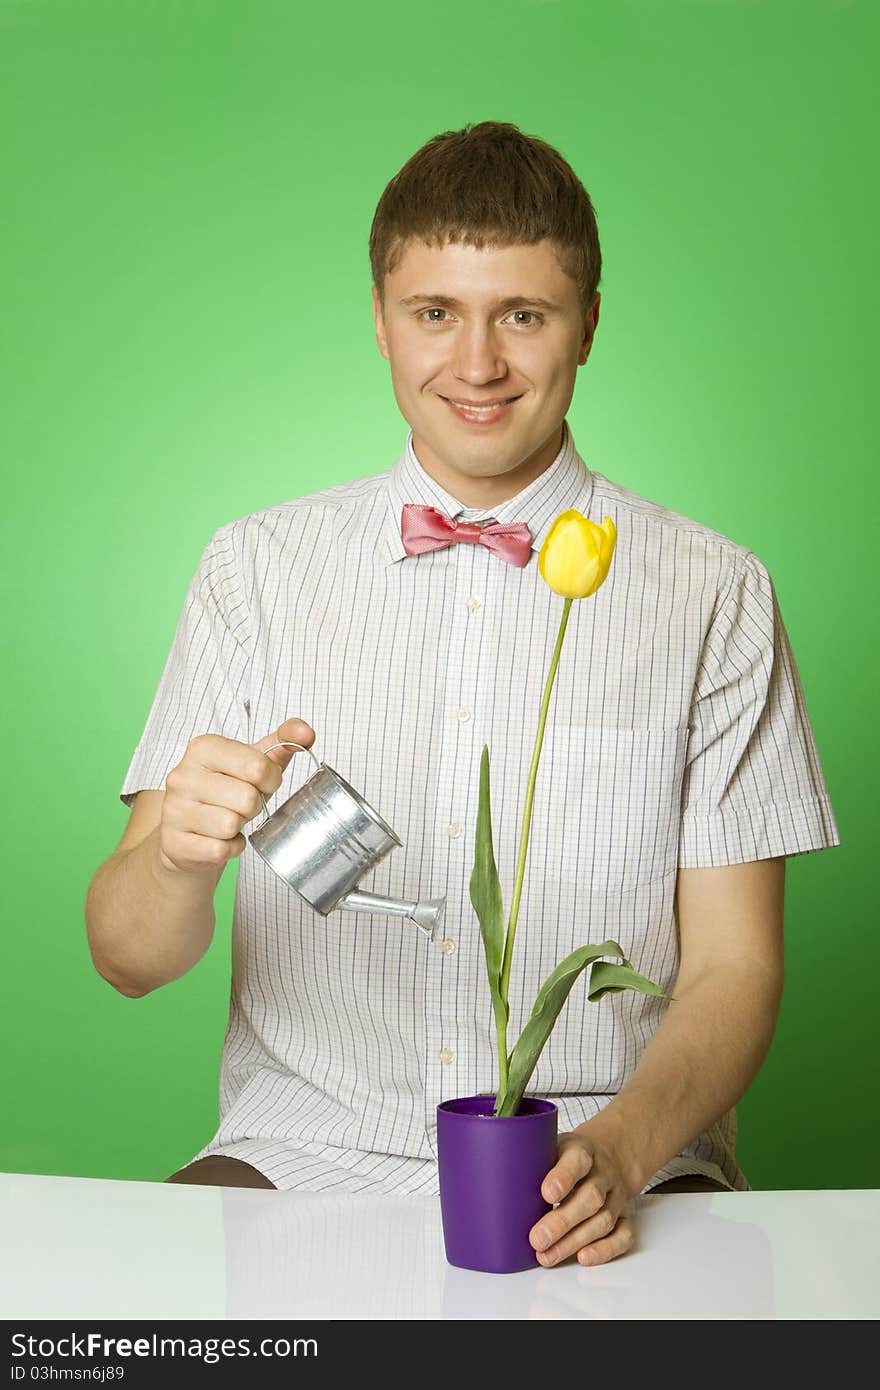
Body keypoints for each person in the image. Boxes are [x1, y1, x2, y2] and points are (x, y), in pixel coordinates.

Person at [85, 120, 840, 1270]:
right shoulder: (255, 569)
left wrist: (622, 1148)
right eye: (435, 312)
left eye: (522, 316)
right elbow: (128, 958)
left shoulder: (712, 591)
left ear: (587, 322)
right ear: (380, 321)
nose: (476, 364)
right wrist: (179, 859)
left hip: (617, 1163)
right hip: (305, 1147)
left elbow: (738, 966)